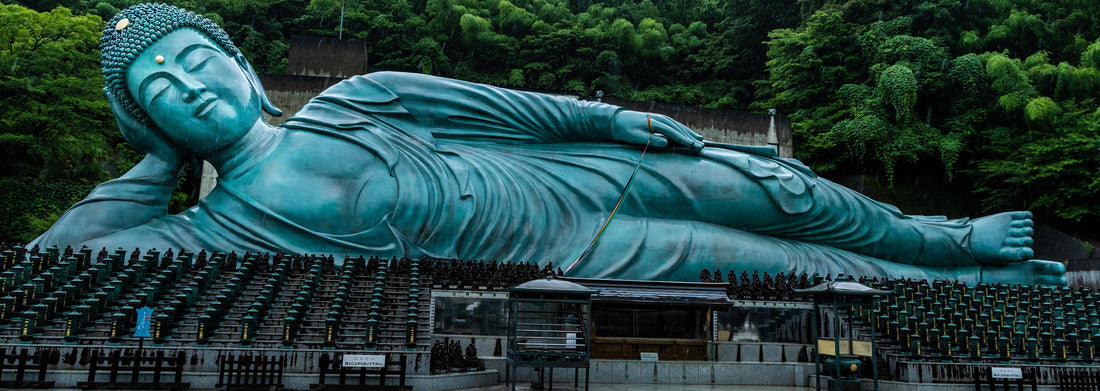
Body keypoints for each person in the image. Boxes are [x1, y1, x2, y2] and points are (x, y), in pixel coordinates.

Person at [30, 4, 1065, 285]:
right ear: (151, 120)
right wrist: (155, 165)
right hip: (575, 251)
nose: (188, 88)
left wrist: (610, 120)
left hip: (571, 171)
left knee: (774, 189)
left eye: (194, 61)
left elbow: (508, 108)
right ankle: (984, 283)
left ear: (242, 63)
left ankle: (945, 237)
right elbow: (59, 260)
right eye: (160, 93)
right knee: (787, 265)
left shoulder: (357, 98)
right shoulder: (220, 228)